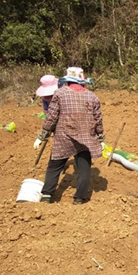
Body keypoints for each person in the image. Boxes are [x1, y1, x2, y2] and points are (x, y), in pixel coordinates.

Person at [33, 75, 105, 205]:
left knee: (54, 166)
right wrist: (100, 137)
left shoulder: (60, 94)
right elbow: (98, 119)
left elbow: (51, 117)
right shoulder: (93, 96)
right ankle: (80, 198)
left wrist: (42, 135)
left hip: (64, 136)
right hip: (85, 137)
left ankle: (47, 194)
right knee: (84, 167)